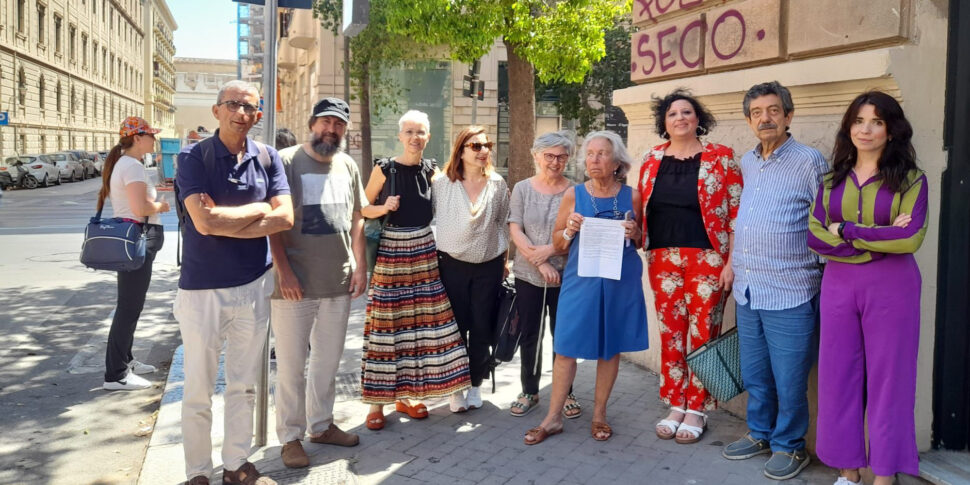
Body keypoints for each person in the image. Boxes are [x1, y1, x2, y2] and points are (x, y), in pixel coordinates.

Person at [174, 80, 293, 485]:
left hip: (253, 287)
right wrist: (260, 213)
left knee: (243, 386)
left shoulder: (268, 157)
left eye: (250, 108)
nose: (242, 113)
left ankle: (236, 466)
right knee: (198, 390)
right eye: (233, 105)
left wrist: (228, 219)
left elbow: (287, 218)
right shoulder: (194, 157)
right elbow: (202, 223)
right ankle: (197, 473)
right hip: (202, 291)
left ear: (259, 115)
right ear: (216, 111)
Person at [808, 91, 927, 485]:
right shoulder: (831, 180)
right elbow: (816, 236)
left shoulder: (911, 180)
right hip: (839, 286)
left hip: (893, 288)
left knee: (889, 379)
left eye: (877, 121)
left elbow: (909, 239)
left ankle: (885, 473)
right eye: (859, 120)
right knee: (838, 376)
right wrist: (878, 237)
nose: (866, 129)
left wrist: (849, 232)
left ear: (891, 130)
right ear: (849, 127)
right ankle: (848, 470)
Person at [722, 81, 829, 481]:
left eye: (772, 111)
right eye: (756, 113)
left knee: (789, 379)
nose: (764, 118)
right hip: (749, 288)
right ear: (749, 120)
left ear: (788, 115)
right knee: (756, 373)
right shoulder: (748, 162)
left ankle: (791, 446)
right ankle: (761, 433)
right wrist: (734, 263)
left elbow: (823, 221)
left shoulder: (809, 161)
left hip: (791, 291)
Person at [524, 130, 648, 445]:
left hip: (619, 279)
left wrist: (635, 233)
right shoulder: (574, 194)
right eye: (589, 154)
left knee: (610, 346)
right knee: (565, 346)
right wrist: (568, 229)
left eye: (602, 153)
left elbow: (643, 241)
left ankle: (599, 415)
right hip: (582, 278)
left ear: (617, 160)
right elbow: (558, 244)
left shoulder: (632, 196)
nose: (594, 159)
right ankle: (552, 418)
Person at [638, 90, 741, 444]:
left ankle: (697, 407)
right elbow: (642, 210)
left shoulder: (721, 158)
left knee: (702, 333)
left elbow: (736, 215)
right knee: (671, 332)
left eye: (687, 112)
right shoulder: (652, 159)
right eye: (672, 114)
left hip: (708, 259)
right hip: (662, 257)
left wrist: (731, 262)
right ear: (663, 123)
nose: (680, 118)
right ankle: (675, 402)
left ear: (698, 119)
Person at [268, 98, 366, 468]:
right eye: (325, 122)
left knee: (327, 362)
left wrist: (360, 265)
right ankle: (290, 438)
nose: (331, 130)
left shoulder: (347, 164)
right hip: (293, 286)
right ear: (312, 123)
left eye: (338, 124)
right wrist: (284, 271)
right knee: (292, 366)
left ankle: (321, 425)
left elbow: (357, 218)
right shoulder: (288, 161)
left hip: (337, 281)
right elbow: (273, 221)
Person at [360, 110, 471, 429]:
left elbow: (450, 204)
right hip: (392, 252)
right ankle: (376, 404)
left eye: (420, 132)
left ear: (428, 137)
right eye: (409, 132)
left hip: (423, 251)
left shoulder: (432, 170)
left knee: (424, 327)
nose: (414, 137)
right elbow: (363, 208)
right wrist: (384, 207)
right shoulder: (384, 168)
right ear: (400, 136)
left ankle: (406, 397)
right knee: (386, 327)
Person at [434, 126, 511, 412]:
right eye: (475, 146)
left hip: (488, 268)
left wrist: (504, 263)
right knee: (455, 329)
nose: (483, 151)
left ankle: (476, 383)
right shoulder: (442, 184)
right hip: (451, 266)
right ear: (461, 150)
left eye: (486, 145)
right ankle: (455, 389)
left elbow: (503, 223)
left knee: (481, 327)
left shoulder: (498, 184)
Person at [508, 131, 581, 418]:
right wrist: (541, 263)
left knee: (563, 336)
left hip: (568, 277)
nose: (555, 161)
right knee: (531, 335)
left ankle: (565, 392)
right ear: (536, 156)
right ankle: (530, 390)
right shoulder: (523, 188)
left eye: (561, 156)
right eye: (549, 155)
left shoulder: (576, 190)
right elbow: (515, 228)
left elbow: (576, 233)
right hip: (529, 274)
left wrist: (550, 251)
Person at [99, 116, 170, 391]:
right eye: (151, 135)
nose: (154, 139)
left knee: (131, 305)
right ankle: (115, 375)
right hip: (137, 239)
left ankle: (125, 360)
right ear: (138, 138)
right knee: (129, 307)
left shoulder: (127, 164)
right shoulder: (132, 166)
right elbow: (141, 208)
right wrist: (161, 207)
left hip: (133, 241)